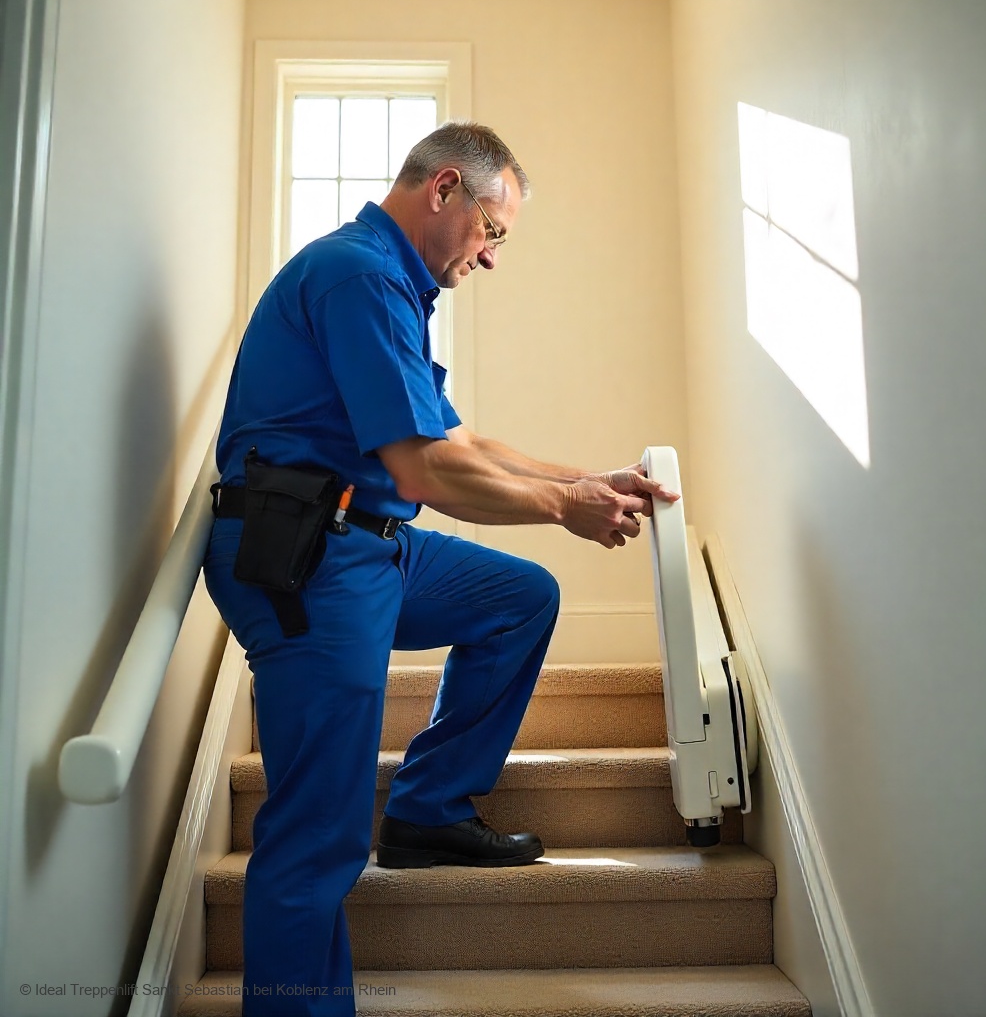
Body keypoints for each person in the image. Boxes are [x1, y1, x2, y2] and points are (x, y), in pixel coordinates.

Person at [203, 120, 678, 1017]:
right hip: (307, 559)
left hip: (368, 544)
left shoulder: (395, 286)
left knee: (518, 597)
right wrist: (561, 510)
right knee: (316, 839)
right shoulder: (358, 275)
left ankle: (426, 810)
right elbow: (426, 472)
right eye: (494, 230)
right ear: (446, 188)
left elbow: (463, 442)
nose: (494, 256)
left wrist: (583, 479)